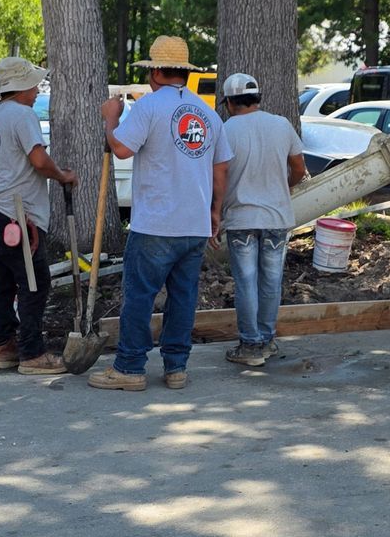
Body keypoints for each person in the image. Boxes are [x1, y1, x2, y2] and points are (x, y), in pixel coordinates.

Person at [89, 35, 231, 393]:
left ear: (154, 72)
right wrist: (215, 211)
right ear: (183, 73)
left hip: (156, 222)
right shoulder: (208, 113)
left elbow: (120, 148)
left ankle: (131, 367)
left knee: (139, 295)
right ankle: (176, 367)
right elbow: (221, 167)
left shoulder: (149, 108)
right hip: (194, 222)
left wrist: (111, 118)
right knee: (183, 297)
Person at [0, 55, 77, 376]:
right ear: (21, 86)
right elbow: (38, 159)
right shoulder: (22, 115)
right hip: (17, 213)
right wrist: (61, 175)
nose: (36, 91)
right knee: (35, 282)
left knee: (4, 282)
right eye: (33, 84)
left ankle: (4, 347)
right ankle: (32, 353)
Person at [217, 73, 306, 366]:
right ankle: (267, 341)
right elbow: (298, 168)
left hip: (241, 218)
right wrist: (283, 186)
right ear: (257, 98)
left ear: (230, 102)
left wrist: (215, 211)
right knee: (271, 281)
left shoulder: (226, 130)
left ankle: (251, 346)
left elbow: (219, 175)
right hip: (277, 217)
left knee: (246, 283)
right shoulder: (281, 125)